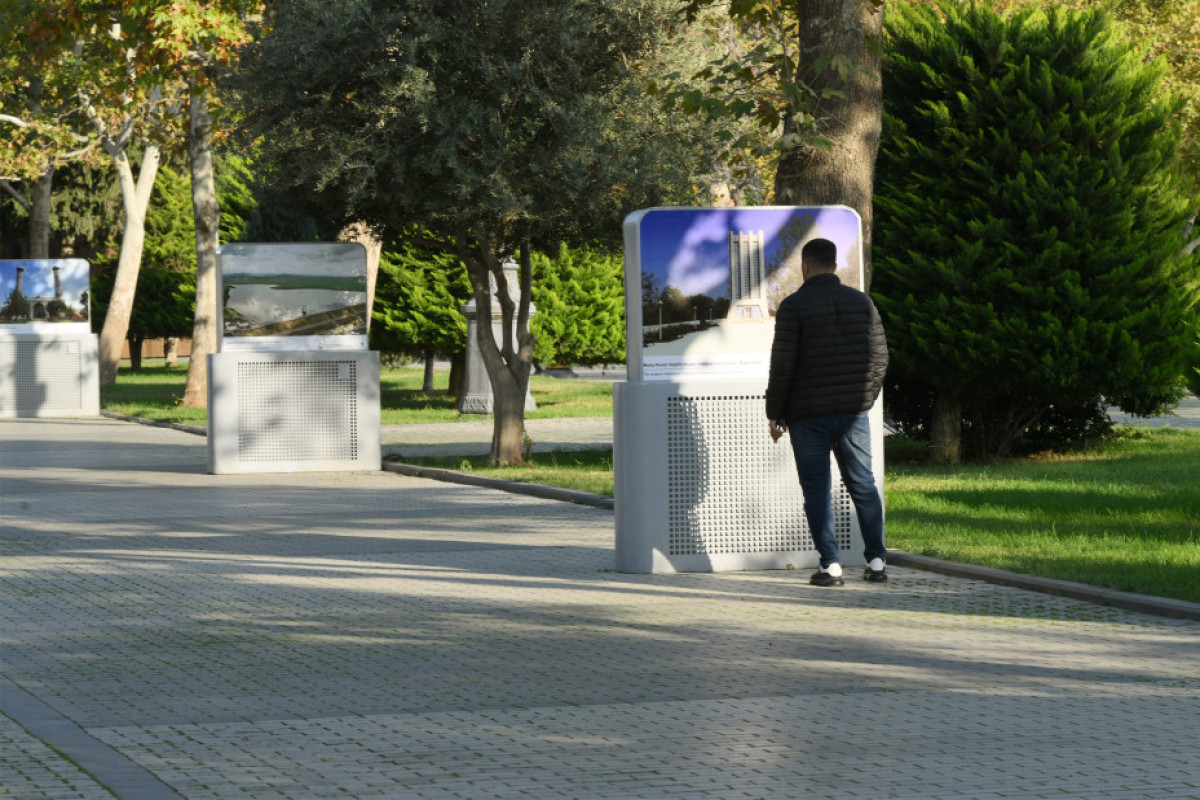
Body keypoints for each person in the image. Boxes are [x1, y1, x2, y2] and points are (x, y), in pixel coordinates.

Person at [765, 238, 889, 587]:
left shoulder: (793, 307)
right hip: (853, 414)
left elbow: (783, 366)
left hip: (808, 418)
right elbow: (880, 358)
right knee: (863, 485)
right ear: (834, 265)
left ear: (805, 266)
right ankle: (877, 561)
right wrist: (864, 399)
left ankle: (831, 566)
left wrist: (775, 413)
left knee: (817, 490)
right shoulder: (862, 303)